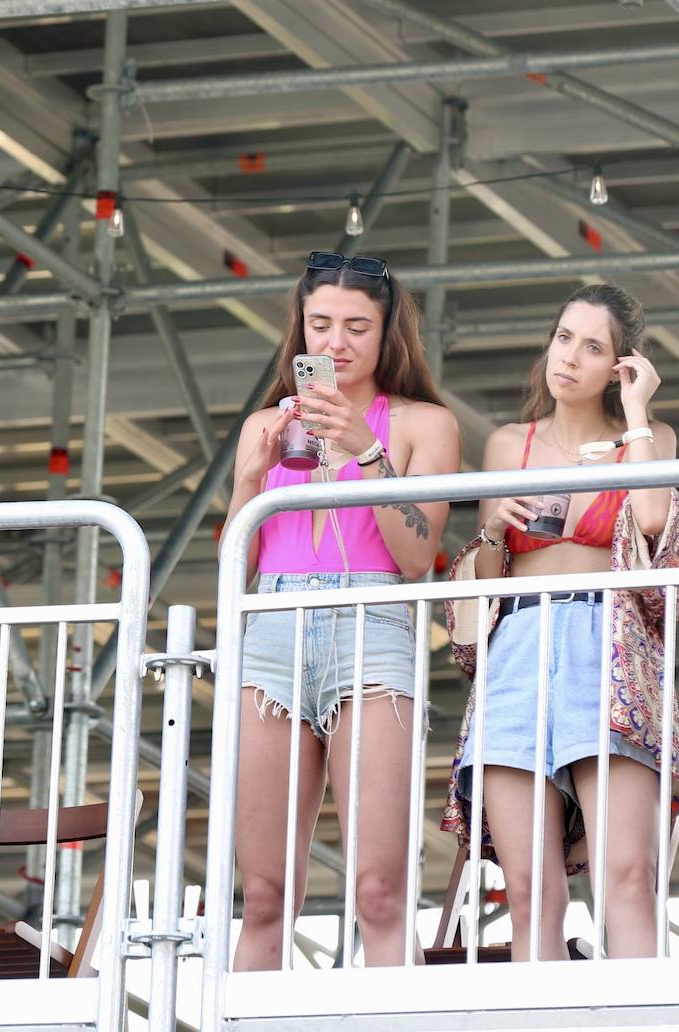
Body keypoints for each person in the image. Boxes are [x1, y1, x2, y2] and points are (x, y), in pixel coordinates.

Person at [442, 283, 679, 960]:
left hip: (605, 644)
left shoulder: (651, 437)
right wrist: (493, 528)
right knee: (529, 891)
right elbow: (485, 590)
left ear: (619, 365)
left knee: (629, 878)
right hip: (519, 644)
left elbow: (648, 521)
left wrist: (636, 411)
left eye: (593, 346)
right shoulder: (508, 444)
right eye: (563, 337)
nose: (570, 357)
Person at [227, 251, 460, 969]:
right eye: (320, 323)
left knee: (380, 890)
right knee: (263, 893)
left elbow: (416, 556)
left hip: (374, 618)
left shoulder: (424, 422)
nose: (335, 342)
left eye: (357, 326)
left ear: (387, 334)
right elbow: (236, 569)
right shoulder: (268, 423)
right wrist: (246, 478)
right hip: (271, 626)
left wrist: (367, 451)